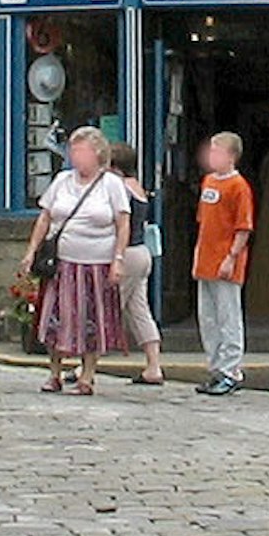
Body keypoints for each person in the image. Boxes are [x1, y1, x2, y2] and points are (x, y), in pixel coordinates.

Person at [24, 127, 130, 396]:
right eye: (73, 150)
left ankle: (87, 376)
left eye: (81, 151)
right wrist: (31, 251)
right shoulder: (61, 181)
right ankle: (55, 373)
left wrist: (118, 259)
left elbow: (123, 223)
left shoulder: (112, 185)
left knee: (91, 320)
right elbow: (45, 217)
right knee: (54, 318)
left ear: (98, 154)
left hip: (97, 262)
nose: (75, 156)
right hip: (62, 263)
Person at [192, 131, 254, 397]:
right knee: (208, 317)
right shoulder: (208, 182)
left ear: (231, 156)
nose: (212, 156)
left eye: (217, 151)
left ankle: (231, 369)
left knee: (228, 316)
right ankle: (215, 367)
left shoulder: (238, 187)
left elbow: (243, 227)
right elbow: (203, 223)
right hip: (206, 256)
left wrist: (232, 257)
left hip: (225, 259)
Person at [108, 142, 165, 388]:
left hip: (126, 254)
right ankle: (154, 366)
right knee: (139, 310)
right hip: (143, 252)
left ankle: (85, 365)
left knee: (107, 309)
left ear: (115, 167)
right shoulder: (137, 188)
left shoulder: (120, 189)